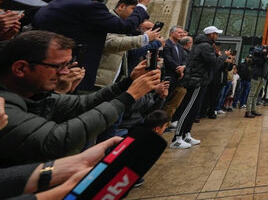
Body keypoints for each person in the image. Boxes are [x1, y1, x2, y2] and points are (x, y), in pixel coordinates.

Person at [0, 31, 160, 165]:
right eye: (58, 66)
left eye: (66, 65)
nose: (64, 72)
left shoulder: (36, 95)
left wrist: (127, 83)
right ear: (20, 68)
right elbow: (55, 140)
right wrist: (129, 96)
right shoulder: (3, 104)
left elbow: (83, 104)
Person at [32, 0, 151, 91]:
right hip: (72, 80)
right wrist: (141, 6)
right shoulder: (90, 7)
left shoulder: (53, 3)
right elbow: (125, 26)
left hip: (41, 74)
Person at [171, 26, 230, 149]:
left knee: (193, 109)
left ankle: (186, 134)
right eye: (215, 33)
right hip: (196, 80)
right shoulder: (205, 46)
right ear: (210, 35)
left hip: (201, 80)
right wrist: (224, 56)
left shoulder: (204, 45)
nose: (217, 36)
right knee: (188, 108)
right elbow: (214, 63)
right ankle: (177, 138)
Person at [95, 0, 162, 88]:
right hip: (98, 81)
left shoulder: (124, 27)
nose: (136, 15)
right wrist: (145, 38)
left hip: (111, 82)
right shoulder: (109, 20)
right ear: (121, 7)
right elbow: (111, 43)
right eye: (134, 10)